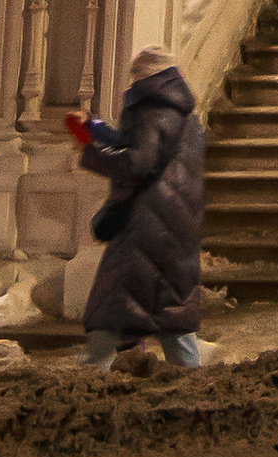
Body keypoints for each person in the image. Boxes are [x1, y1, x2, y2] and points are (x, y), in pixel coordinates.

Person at [68, 47, 208, 370]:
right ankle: (189, 374)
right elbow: (143, 145)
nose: (131, 82)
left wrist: (89, 152)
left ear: (145, 78)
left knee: (114, 305)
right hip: (174, 220)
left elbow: (136, 161)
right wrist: (96, 128)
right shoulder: (180, 111)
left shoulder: (151, 110)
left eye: (135, 76)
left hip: (147, 224)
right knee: (171, 307)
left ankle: (93, 369)